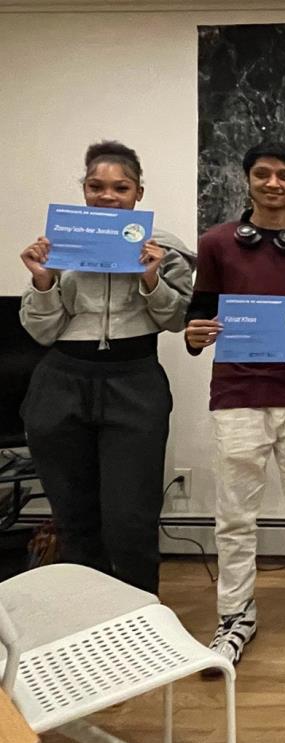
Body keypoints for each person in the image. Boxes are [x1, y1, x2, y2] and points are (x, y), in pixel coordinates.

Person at [184, 141, 285, 666]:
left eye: (284, 175)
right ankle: (235, 614)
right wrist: (194, 335)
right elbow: (199, 314)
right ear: (247, 179)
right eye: (263, 174)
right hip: (237, 396)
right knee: (235, 515)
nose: (273, 183)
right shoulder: (216, 243)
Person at [18, 140, 194, 594]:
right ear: (84, 190)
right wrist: (43, 281)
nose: (108, 196)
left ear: (138, 193)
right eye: (96, 186)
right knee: (73, 516)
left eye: (121, 187)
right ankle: (87, 613)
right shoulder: (60, 244)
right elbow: (41, 331)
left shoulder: (164, 249)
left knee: (130, 517)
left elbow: (176, 320)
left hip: (134, 381)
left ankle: (140, 614)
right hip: (61, 382)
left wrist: (151, 277)